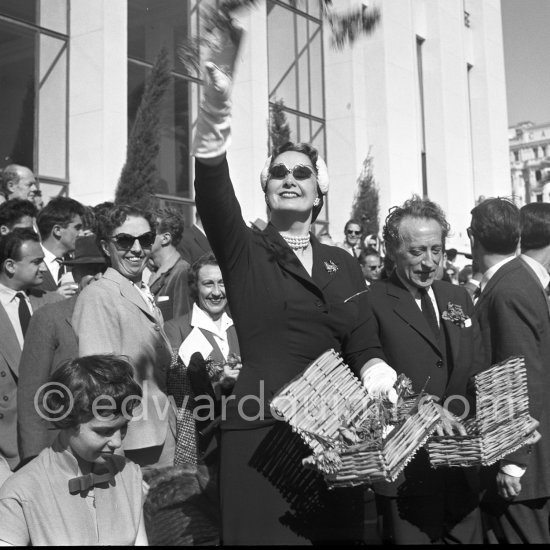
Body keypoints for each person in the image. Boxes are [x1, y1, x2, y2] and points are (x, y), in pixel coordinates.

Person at [190, 22, 378, 544]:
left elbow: (361, 336)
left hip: (338, 436)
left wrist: (377, 368)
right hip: (260, 430)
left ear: (319, 190)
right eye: (278, 173)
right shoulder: (245, 250)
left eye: (301, 171)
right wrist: (215, 112)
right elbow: (211, 188)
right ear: (266, 189)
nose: (290, 177)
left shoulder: (343, 260)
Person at [361, 196, 482, 544]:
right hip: (406, 470)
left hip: (461, 465)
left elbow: (474, 366)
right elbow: (370, 378)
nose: (429, 262)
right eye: (417, 252)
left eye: (437, 250)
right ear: (392, 250)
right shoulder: (371, 302)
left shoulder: (458, 296)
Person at [0, 355, 148, 545]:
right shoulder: (23, 490)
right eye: (104, 431)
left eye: (123, 427)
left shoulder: (128, 474)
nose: (117, 442)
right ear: (67, 419)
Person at [469, 198, 550, 543]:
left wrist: (513, 461)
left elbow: (519, 376)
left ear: (472, 237)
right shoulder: (515, 281)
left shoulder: (507, 288)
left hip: (521, 468)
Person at [72, 204, 176, 469]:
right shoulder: (99, 295)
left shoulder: (139, 289)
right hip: (131, 442)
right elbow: (100, 384)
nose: (137, 249)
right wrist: (111, 453)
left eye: (145, 239)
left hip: (160, 431)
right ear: (106, 247)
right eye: (125, 240)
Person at [17, 235, 108, 463]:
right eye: (89, 270)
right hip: (61, 447)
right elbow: (31, 393)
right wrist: (35, 458)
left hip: (111, 444)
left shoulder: (118, 314)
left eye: (104, 270)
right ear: (76, 275)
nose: (97, 276)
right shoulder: (49, 318)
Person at [164, 253, 241, 466]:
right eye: (208, 284)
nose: (216, 292)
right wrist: (216, 383)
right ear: (195, 287)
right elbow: (176, 389)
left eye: (222, 284)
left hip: (241, 429)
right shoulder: (176, 329)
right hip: (202, 439)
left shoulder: (240, 327)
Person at [0, 228, 62, 470]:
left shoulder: (52, 302)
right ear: (10, 266)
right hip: (8, 439)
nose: (44, 269)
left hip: (51, 429)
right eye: (36, 262)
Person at [36, 196, 86, 296]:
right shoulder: (29, 263)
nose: (82, 233)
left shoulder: (78, 266)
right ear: (57, 230)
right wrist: (54, 297)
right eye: (77, 228)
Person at [148, 207, 191, 322]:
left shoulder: (182, 271)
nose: (143, 238)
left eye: (149, 234)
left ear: (165, 238)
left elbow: (182, 323)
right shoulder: (151, 270)